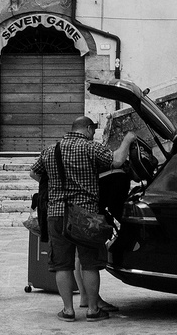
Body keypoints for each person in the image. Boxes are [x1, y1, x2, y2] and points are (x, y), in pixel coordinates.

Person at [30, 116, 139, 322]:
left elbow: (34, 173)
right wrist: (127, 140)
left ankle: (68, 311)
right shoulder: (90, 148)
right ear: (88, 129)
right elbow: (117, 160)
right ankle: (92, 310)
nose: (94, 135)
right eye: (93, 131)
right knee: (90, 263)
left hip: (57, 213)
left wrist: (56, 185)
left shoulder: (51, 150)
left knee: (62, 265)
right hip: (86, 214)